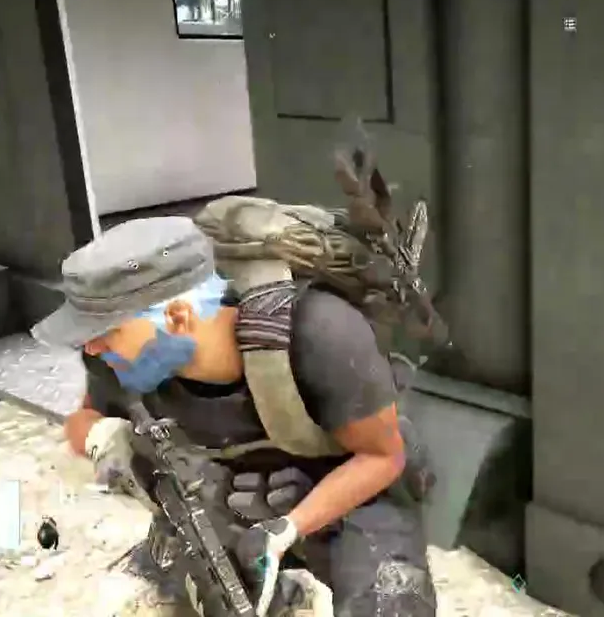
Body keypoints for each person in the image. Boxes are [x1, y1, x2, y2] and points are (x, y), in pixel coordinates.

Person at [35, 214, 438, 616]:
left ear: (178, 318)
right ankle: (282, 595)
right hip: (227, 500)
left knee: (393, 603)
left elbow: (383, 457)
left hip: (349, 495)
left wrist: (289, 529)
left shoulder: (319, 333)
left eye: (106, 332)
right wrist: (107, 439)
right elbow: (81, 422)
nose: (91, 348)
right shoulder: (122, 362)